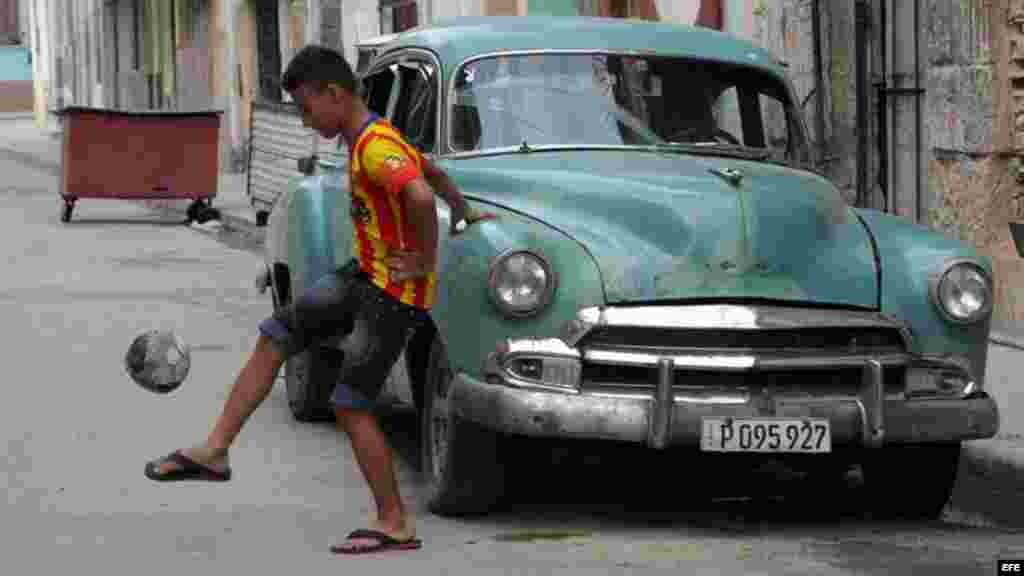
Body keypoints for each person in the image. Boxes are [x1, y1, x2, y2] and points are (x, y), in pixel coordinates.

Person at [143, 44, 495, 555]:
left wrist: (422, 258)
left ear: (333, 93)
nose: (306, 121)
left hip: (393, 295)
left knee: (350, 402)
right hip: (366, 277)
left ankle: (395, 522)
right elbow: (434, 175)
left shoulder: (375, 146)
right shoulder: (369, 137)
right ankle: (216, 451)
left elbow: (419, 195)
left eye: (307, 109)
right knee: (276, 333)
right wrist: (462, 213)